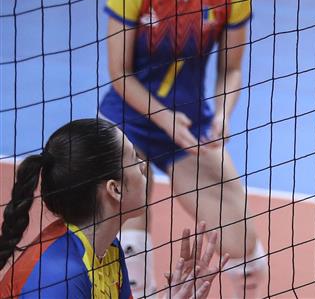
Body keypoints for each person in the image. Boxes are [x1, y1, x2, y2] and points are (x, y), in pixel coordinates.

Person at [98, 0, 264, 297]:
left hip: (190, 123)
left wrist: (223, 114)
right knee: (128, 226)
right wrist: (163, 119)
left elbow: (230, 70)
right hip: (130, 119)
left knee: (242, 245)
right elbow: (119, 74)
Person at [0, 117, 222, 299]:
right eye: (134, 158)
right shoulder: (60, 279)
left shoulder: (107, 249)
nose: (143, 165)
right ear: (115, 189)